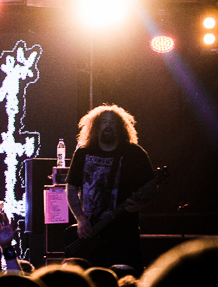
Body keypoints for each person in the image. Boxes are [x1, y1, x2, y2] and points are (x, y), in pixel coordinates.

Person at [66, 105, 155, 271]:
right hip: (92, 232)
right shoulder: (83, 153)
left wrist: (139, 204)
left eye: (112, 122)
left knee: (128, 276)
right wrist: (80, 219)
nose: (108, 125)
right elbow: (71, 189)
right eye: (103, 122)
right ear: (95, 127)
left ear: (120, 127)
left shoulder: (134, 153)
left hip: (125, 232)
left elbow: (151, 187)